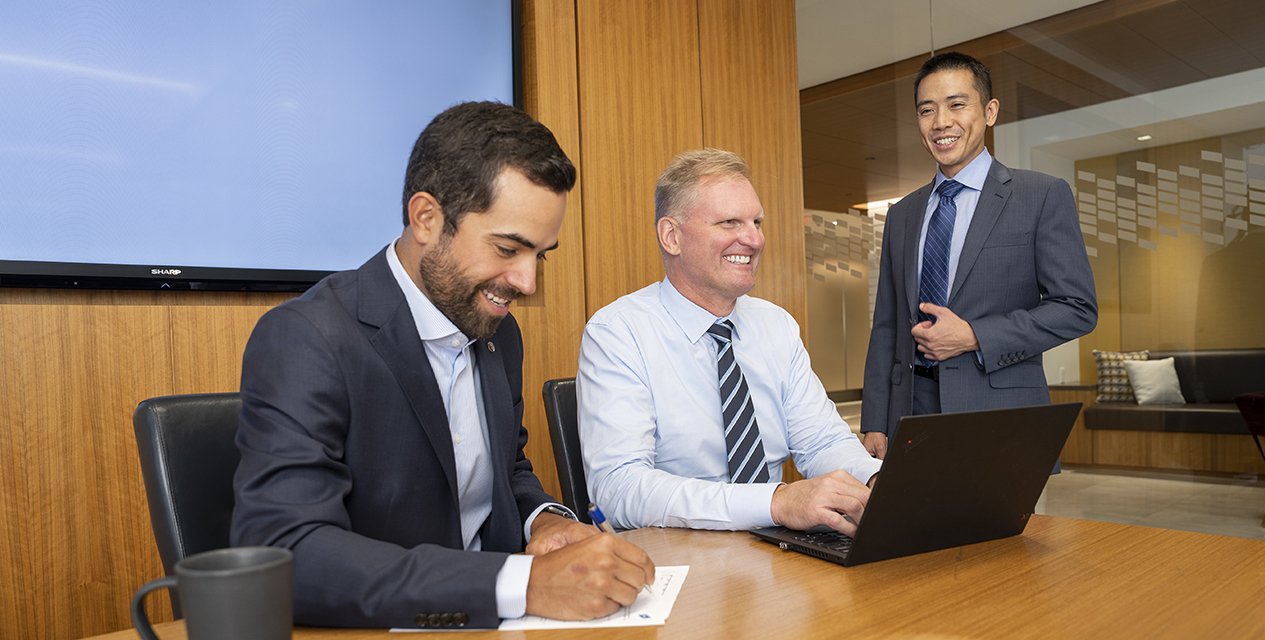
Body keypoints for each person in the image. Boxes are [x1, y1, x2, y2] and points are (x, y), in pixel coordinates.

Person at [231, 101, 654, 629]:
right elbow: (287, 553)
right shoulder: (308, 337)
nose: (527, 282)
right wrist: (521, 584)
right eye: (507, 249)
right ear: (427, 218)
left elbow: (507, 469)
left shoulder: (498, 332)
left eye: (540, 256)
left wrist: (544, 521)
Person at [577, 149, 882, 537]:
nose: (754, 239)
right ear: (672, 236)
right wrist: (775, 503)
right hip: (683, 563)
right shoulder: (618, 332)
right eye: (729, 222)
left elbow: (821, 441)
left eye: (757, 221)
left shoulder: (776, 325)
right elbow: (619, 490)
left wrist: (876, 484)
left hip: (778, 552)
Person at [860, 52, 1098, 458]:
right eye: (926, 110)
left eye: (957, 104)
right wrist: (874, 421)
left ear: (989, 112)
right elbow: (887, 324)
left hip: (999, 413)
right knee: (912, 523)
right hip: (909, 413)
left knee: (1002, 526)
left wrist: (974, 337)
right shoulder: (902, 214)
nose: (941, 122)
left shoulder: (1040, 195)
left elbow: (1077, 308)